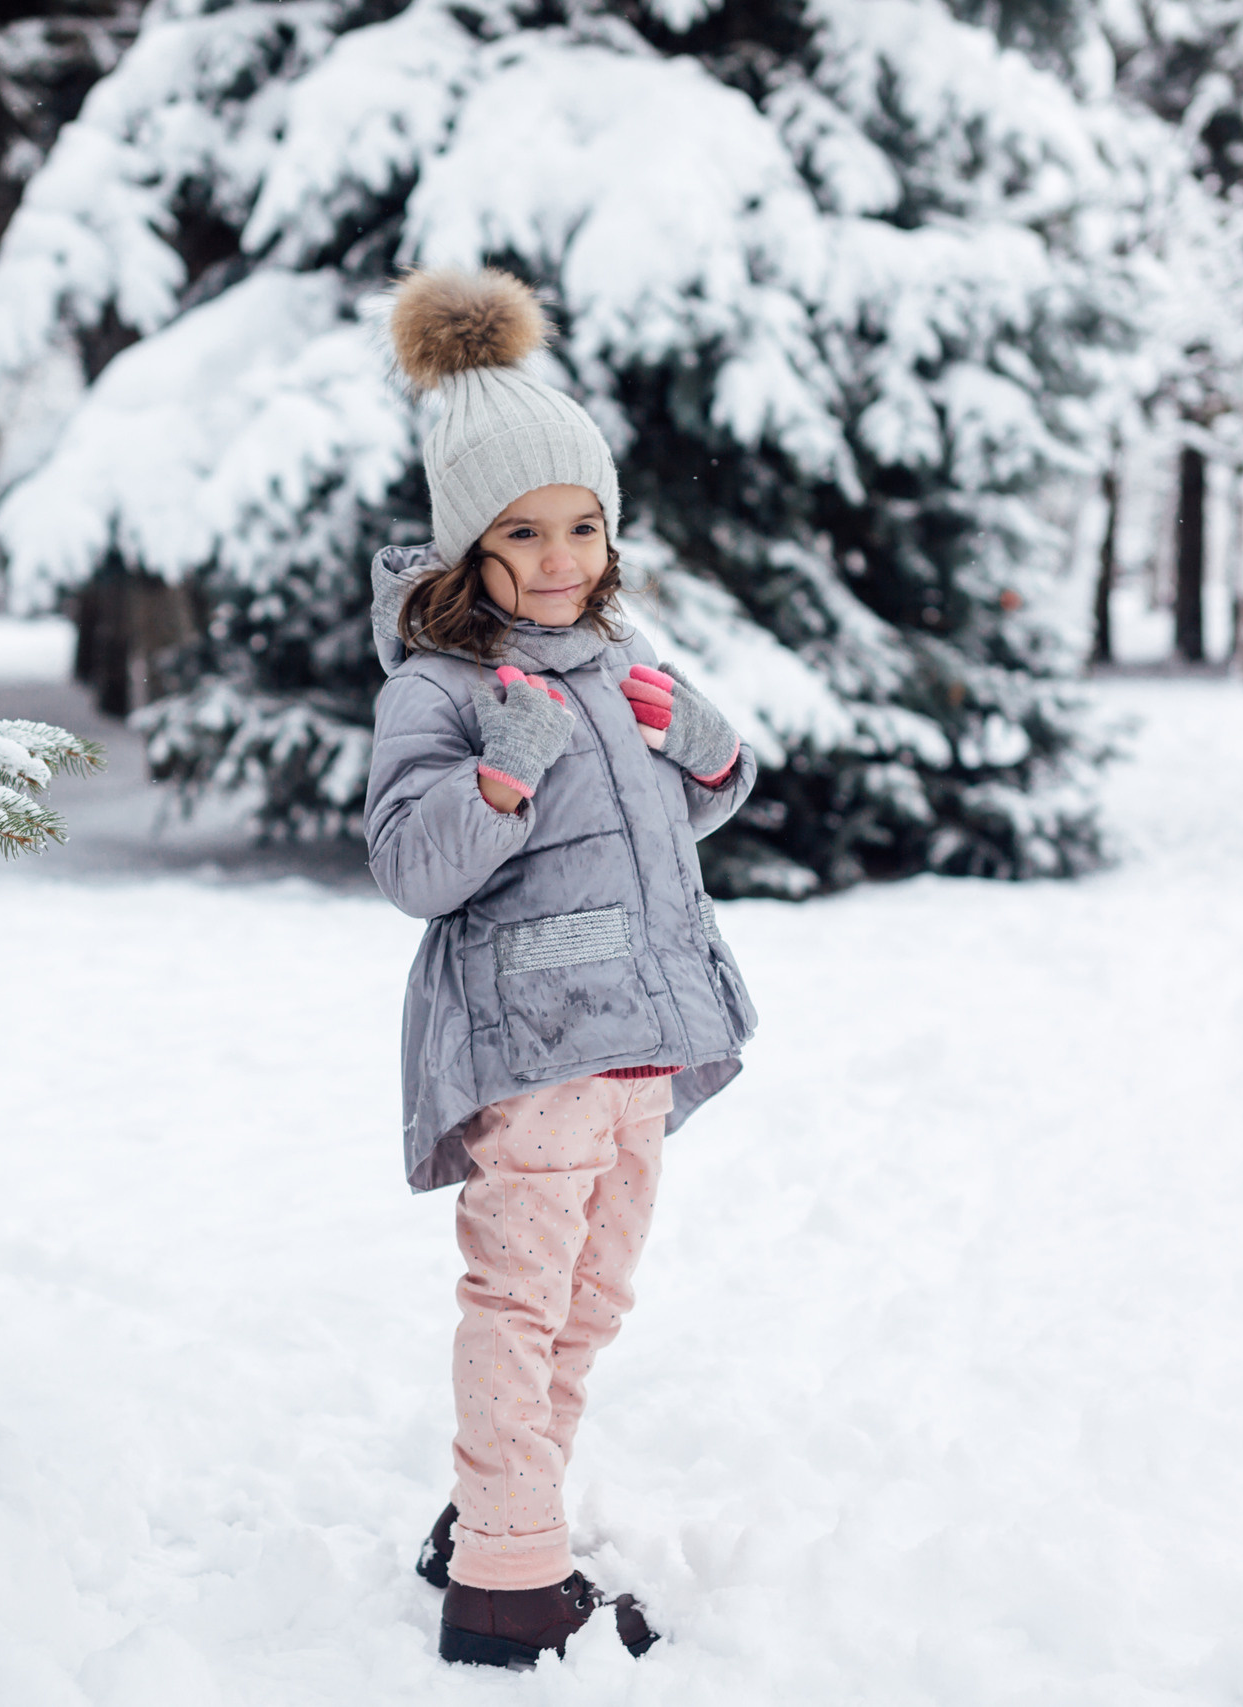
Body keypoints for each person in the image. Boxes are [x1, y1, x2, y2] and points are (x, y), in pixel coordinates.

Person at [363, 269, 761, 1669]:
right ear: (466, 550)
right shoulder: (441, 689)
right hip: (536, 1052)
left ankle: (494, 1516)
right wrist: (506, 773)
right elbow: (414, 866)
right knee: (519, 1307)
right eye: (522, 531)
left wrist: (705, 744)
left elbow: (668, 825)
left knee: (590, 1307)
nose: (560, 556)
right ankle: (508, 1589)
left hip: (638, 1043)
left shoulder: (612, 654)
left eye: (583, 525)